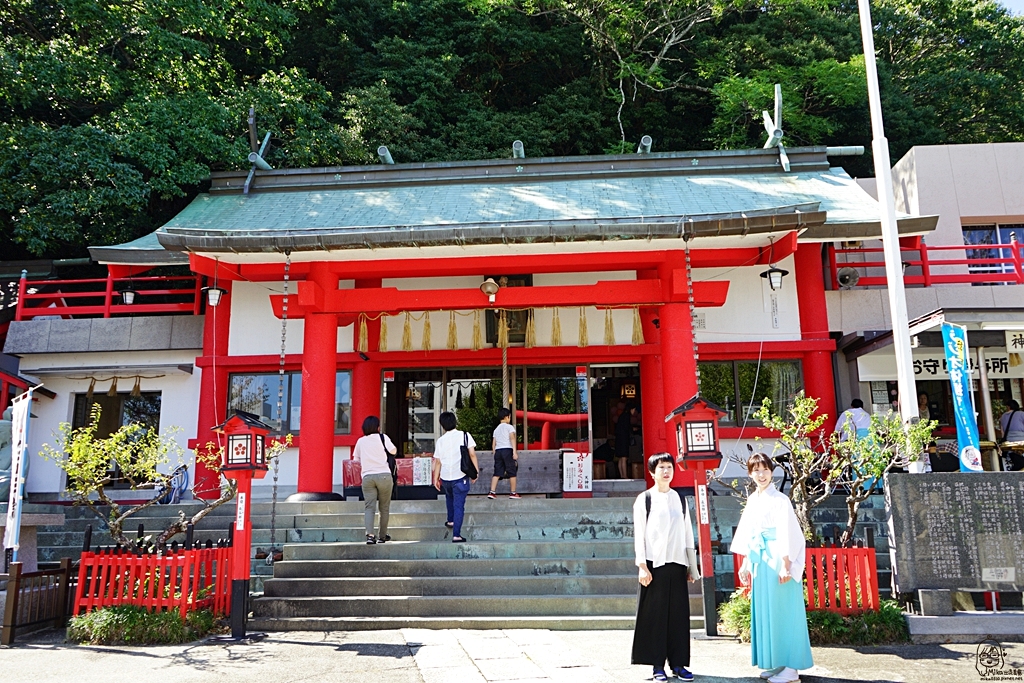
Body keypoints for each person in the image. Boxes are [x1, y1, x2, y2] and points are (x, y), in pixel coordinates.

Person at [731, 452, 813, 683]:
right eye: (756, 470)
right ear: (750, 474)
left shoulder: (780, 500)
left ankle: (792, 667)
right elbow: (749, 532)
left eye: (765, 470)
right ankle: (778, 661)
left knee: (785, 611)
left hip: (778, 556)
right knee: (770, 611)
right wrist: (746, 563)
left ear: (772, 472)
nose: (761, 474)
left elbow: (789, 533)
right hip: (761, 558)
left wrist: (786, 565)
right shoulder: (754, 499)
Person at [631, 453, 699, 682]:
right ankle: (657, 665)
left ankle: (679, 664)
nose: (666, 471)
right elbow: (639, 534)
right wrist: (642, 565)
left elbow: (688, 532)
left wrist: (692, 565)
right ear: (652, 472)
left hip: (677, 563)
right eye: (661, 467)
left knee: (678, 617)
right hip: (654, 564)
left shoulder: (679, 499)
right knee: (655, 617)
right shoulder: (645, 499)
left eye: (669, 467)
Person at [432, 411, 479, 543]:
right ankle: (456, 535)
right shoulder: (464, 435)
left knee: (449, 498)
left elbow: (438, 461)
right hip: (461, 477)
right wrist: (475, 472)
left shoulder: (440, 441)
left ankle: (451, 520)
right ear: (455, 422)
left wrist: (436, 478)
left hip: (446, 477)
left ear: (443, 425)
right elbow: (472, 455)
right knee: (459, 505)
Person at [351, 415, 398, 545]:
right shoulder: (383, 438)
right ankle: (382, 536)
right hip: (384, 475)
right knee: (384, 508)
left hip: (367, 477)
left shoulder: (361, 441)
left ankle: (370, 536)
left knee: (369, 507)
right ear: (378, 427)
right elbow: (393, 451)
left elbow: (356, 460)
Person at [488, 408, 520, 499]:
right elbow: (512, 438)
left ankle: (492, 492)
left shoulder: (496, 429)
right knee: (512, 471)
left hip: (498, 451)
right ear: (507, 417)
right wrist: (514, 451)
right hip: (507, 450)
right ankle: (513, 493)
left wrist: (495, 451)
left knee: (497, 472)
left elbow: (493, 443)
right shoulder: (509, 427)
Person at [616, 403, 637, 479]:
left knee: (620, 458)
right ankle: (625, 475)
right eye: (634, 409)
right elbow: (627, 428)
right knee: (624, 458)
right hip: (624, 439)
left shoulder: (621, 416)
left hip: (619, 439)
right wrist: (633, 429)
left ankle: (621, 475)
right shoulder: (627, 416)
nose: (634, 412)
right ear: (631, 409)